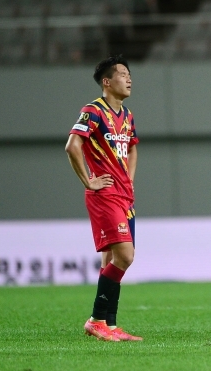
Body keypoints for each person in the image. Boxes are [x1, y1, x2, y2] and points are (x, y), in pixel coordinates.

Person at [65, 55, 141, 342]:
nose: (129, 78)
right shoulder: (93, 111)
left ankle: (109, 324)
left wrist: (129, 179)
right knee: (125, 256)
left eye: (129, 73)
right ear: (106, 82)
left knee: (111, 258)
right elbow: (72, 146)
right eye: (122, 74)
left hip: (124, 195)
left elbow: (133, 148)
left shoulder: (128, 115)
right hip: (105, 194)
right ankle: (96, 320)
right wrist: (89, 180)